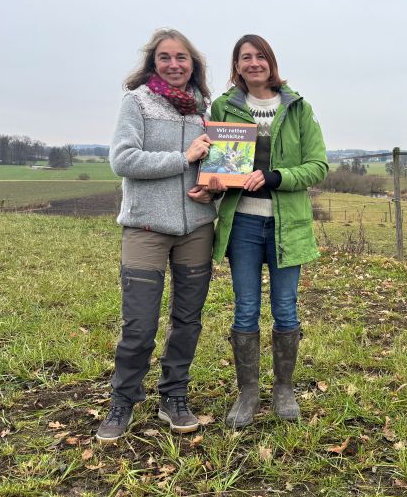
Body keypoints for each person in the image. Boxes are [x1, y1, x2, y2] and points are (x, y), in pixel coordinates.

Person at [96, 29, 218, 442]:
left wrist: (213, 184)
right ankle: (123, 400)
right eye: (165, 57)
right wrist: (182, 158)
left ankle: (174, 396)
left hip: (197, 228)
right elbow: (123, 159)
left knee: (187, 321)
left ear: (193, 64)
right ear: (153, 63)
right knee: (140, 324)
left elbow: (217, 164)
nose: (174, 64)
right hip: (146, 226)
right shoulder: (137, 102)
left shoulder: (208, 109)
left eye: (182, 57)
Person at [207, 34, 327, 427]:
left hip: (286, 224)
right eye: (246, 57)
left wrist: (277, 177)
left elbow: (317, 165)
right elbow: (216, 162)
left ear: (271, 62)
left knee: (285, 307)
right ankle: (248, 392)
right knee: (245, 308)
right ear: (237, 66)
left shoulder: (297, 108)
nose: (254, 63)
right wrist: (214, 180)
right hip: (241, 224)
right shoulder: (224, 107)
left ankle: (283, 389)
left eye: (260, 56)